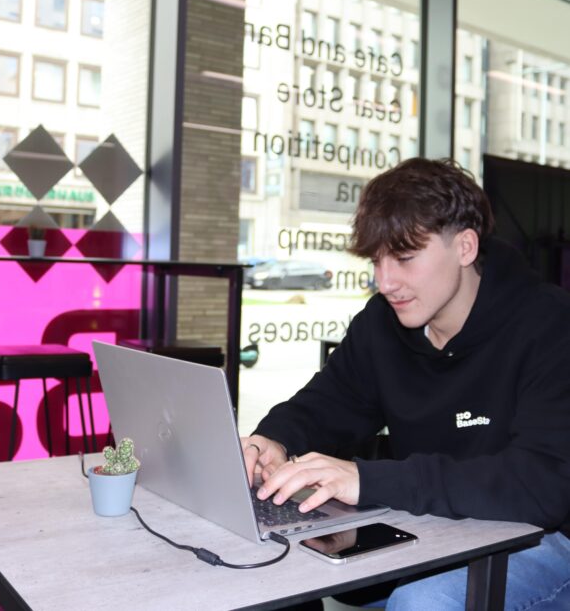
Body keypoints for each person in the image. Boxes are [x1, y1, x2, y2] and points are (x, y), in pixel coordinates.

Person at [241, 158, 570, 610]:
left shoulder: (550, 324)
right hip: (435, 527)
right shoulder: (383, 323)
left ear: (466, 247)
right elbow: (330, 402)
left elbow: (541, 486)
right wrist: (272, 440)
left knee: (426, 603)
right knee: (263, 568)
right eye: (377, 259)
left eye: (405, 257)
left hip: (545, 539)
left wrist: (368, 480)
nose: (386, 281)